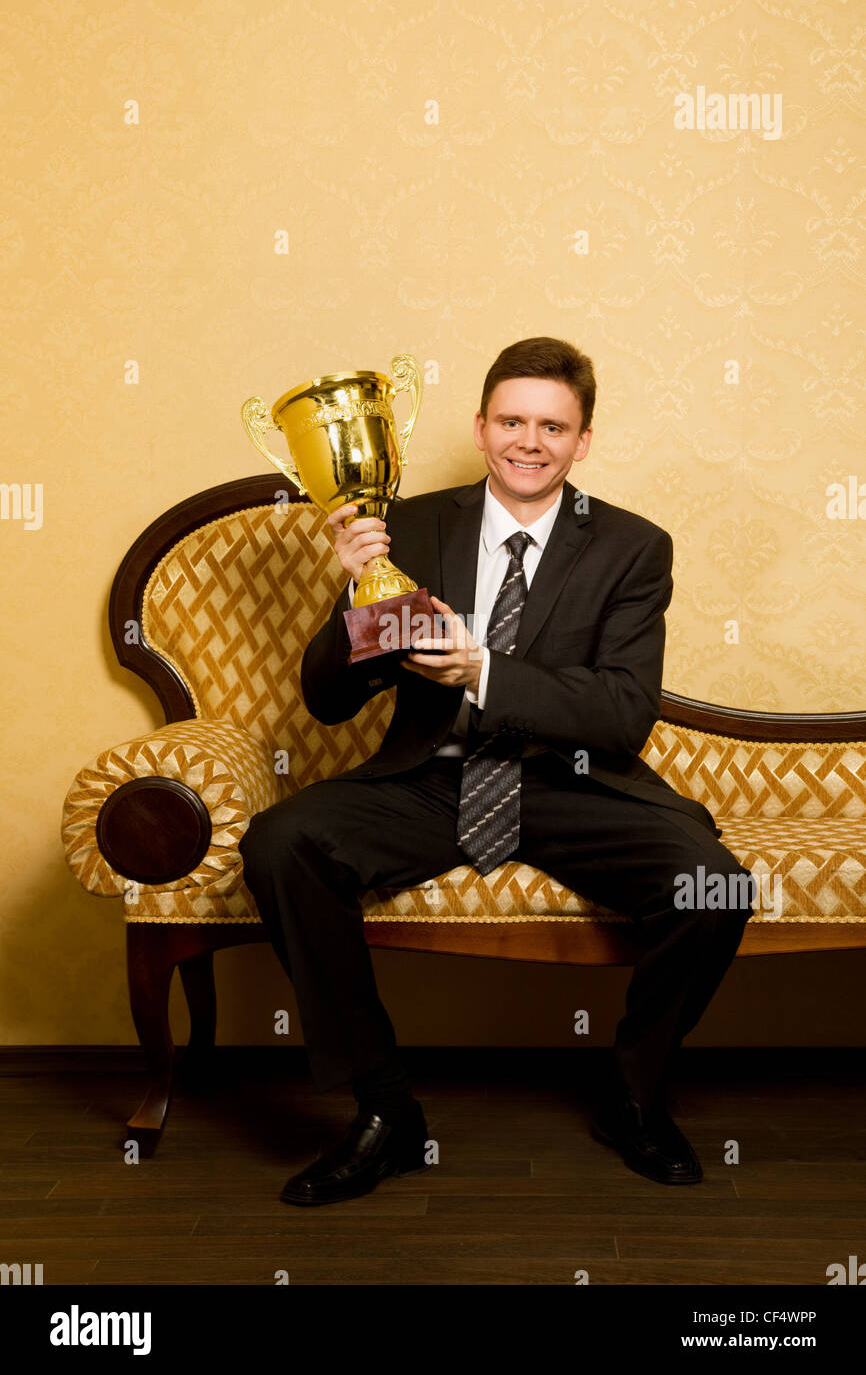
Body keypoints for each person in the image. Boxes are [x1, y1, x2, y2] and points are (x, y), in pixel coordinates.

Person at [239, 335, 755, 1207]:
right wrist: (361, 592)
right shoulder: (408, 524)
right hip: (433, 778)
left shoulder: (633, 547)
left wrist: (483, 672)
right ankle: (385, 1111)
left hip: (572, 783)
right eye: (512, 420)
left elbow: (622, 714)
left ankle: (632, 1097)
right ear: (479, 427)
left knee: (716, 888)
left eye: (552, 426)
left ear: (583, 440)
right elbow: (327, 701)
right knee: (283, 841)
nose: (529, 440)